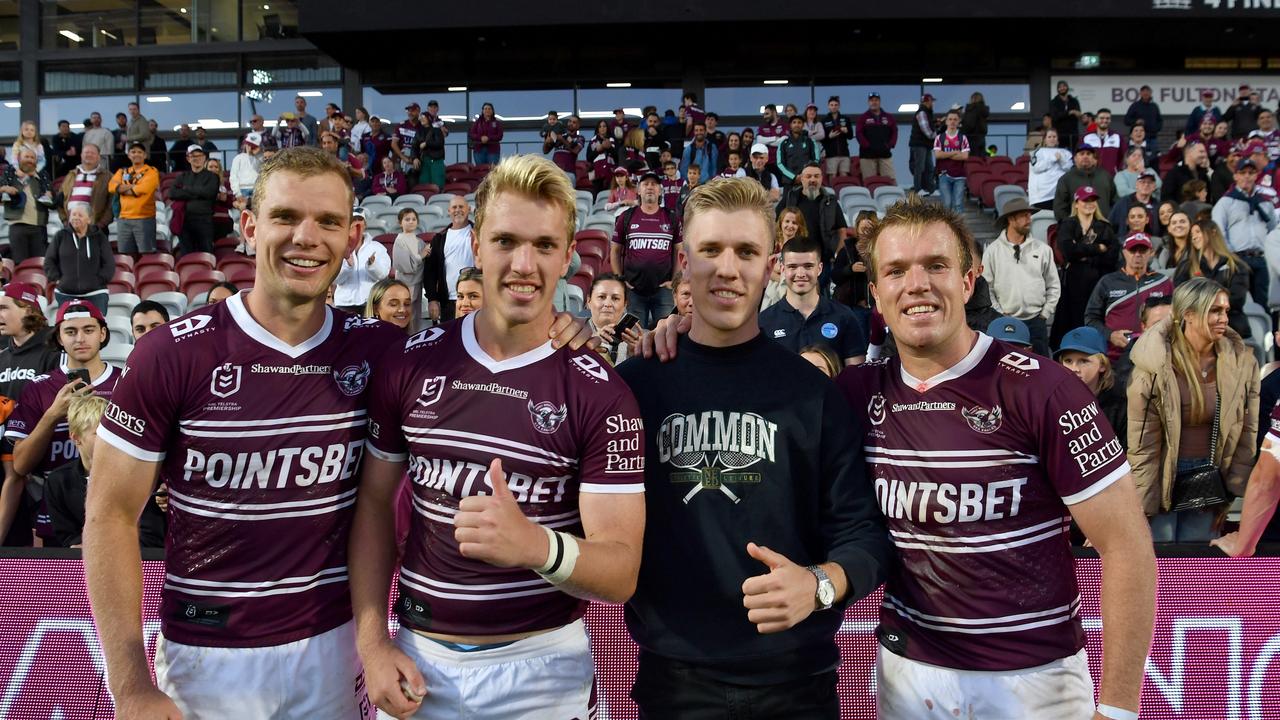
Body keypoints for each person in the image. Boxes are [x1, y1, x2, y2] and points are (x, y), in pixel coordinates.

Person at [801, 194, 1153, 720]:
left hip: (1034, 681)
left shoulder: (1044, 389)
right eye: (896, 271)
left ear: (968, 281)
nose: (916, 284)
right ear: (875, 295)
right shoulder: (855, 393)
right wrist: (683, 335)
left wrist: (1121, 708)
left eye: (936, 266)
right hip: (907, 675)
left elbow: (1126, 544)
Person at [351, 153, 640, 720]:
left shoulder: (602, 391)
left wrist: (535, 546)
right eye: (506, 241)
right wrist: (372, 643)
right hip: (417, 660)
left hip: (543, 669)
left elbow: (622, 572)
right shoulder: (410, 363)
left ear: (568, 258)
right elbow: (373, 505)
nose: (523, 264)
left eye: (544, 245)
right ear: (476, 245)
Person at [620, 177, 890, 719]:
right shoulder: (635, 388)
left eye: (746, 251)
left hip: (795, 681)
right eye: (710, 250)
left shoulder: (814, 394)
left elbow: (865, 537)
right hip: (674, 681)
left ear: (770, 267)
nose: (727, 268)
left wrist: (819, 586)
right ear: (682, 262)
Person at [1129, 278, 1258, 543]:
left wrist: (1230, 491)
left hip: (1210, 480)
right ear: (1188, 314)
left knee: (1197, 567)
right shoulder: (1155, 364)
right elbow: (1143, 443)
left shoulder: (1243, 361)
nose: (1224, 318)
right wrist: (1142, 503)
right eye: (1214, 311)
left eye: (1225, 311)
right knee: (1160, 563)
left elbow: (1247, 430)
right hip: (1162, 476)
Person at [7, 300, 119, 547]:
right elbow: (21, 465)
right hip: (57, 513)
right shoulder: (38, 387)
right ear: (58, 337)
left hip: (117, 506)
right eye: (70, 331)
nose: (80, 338)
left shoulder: (126, 383)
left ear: (102, 333)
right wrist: (52, 415)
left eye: (88, 330)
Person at [45, 394, 166, 549]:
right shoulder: (59, 481)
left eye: (112, 431)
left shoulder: (138, 474)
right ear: (76, 438)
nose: (109, 438)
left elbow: (152, 537)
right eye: (99, 432)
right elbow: (67, 536)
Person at [0, 283, 62, 546]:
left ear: (27, 308)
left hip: (44, 458)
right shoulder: (2, 357)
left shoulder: (53, 352)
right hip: (7, 457)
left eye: (4, 308)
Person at [758, 235, 866, 365]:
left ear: (819, 269)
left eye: (808, 266)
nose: (800, 273)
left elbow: (855, 378)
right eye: (792, 266)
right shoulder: (764, 322)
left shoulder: (844, 317)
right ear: (782, 269)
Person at [982, 197, 1061, 356]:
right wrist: (999, 313)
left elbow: (1053, 285)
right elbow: (987, 287)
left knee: (1041, 369)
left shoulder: (1043, 249)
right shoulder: (993, 251)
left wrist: (1045, 313)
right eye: (1024, 215)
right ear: (1011, 219)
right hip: (1006, 322)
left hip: (1037, 322)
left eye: (1029, 215)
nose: (1029, 220)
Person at [1085, 231, 1173, 362]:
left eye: (1142, 250)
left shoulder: (1163, 282)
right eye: (1133, 250)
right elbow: (1091, 319)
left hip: (1154, 354)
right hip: (1114, 356)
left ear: (1151, 252)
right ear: (1124, 252)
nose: (1138, 255)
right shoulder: (1107, 281)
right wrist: (1110, 335)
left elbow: (1174, 317)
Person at [610, 171, 681, 329]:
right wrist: (620, 279)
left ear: (660, 190)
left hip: (664, 290)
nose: (650, 187)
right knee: (634, 340)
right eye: (646, 184)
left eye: (654, 184)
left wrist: (675, 281)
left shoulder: (672, 217)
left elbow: (679, 252)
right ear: (638, 190)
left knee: (667, 335)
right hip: (634, 291)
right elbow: (615, 251)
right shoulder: (626, 217)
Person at [1052, 185, 1117, 350]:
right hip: (1073, 284)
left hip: (1097, 281)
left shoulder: (1105, 226)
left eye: (1092, 200)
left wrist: (1081, 252)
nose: (1089, 203)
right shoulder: (1067, 224)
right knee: (1070, 322)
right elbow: (1067, 251)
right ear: (1076, 203)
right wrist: (1097, 249)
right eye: (1085, 200)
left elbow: (1111, 257)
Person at [1212, 158, 1275, 308]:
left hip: (1261, 258)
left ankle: (1267, 332)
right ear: (1236, 176)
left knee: (1265, 302)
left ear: (1256, 175)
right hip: (1238, 259)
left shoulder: (1265, 202)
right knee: (1237, 302)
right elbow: (1219, 231)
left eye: (1251, 172)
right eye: (1243, 172)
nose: (1247, 176)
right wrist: (1230, 255)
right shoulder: (1226, 202)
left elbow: (1273, 230)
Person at [776, 163, 847, 295]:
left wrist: (837, 255)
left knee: (820, 298)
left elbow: (842, 231)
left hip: (823, 260)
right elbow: (777, 222)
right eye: (808, 176)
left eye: (816, 176)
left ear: (821, 179)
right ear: (801, 179)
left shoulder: (831, 202)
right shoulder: (790, 198)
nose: (812, 180)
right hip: (794, 258)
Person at [1174, 220, 1251, 339]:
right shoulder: (1186, 266)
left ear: (1213, 232)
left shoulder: (1235, 265)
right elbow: (1181, 297)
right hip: (1197, 327)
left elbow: (1237, 298)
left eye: (1197, 232)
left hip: (1233, 325)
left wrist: (1206, 304)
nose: (1193, 237)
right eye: (1191, 235)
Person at [1055, 326, 1128, 451]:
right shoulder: (1053, 401)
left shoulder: (1120, 403)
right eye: (1068, 361)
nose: (1074, 369)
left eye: (1083, 361)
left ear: (1103, 365)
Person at [45, 203, 113, 314]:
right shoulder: (60, 236)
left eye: (80, 215)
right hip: (65, 294)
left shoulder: (99, 237)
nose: (76, 217)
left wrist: (97, 281)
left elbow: (109, 264)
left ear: (89, 219)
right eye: (73, 215)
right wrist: (58, 279)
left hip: (95, 294)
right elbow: (49, 261)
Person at [422, 194, 476, 323]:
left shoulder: (479, 233)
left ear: (469, 209)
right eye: (454, 207)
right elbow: (430, 272)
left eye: (461, 207)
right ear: (449, 211)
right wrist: (432, 300)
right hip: (449, 301)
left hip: (476, 298)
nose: (458, 210)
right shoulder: (439, 239)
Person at [0, 148, 54, 264]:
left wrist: (50, 194)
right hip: (17, 226)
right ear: (19, 158)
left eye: (32, 157)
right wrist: (5, 189)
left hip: (39, 226)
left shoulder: (42, 176)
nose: (29, 160)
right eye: (26, 157)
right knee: (20, 264)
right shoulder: (10, 173)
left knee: (40, 263)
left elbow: (51, 198)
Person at [333, 207, 391, 313]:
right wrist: (348, 267)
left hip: (370, 302)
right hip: (344, 303)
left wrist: (372, 265)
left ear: (365, 225)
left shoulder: (377, 247)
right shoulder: (339, 247)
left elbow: (383, 275)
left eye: (359, 220)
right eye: (353, 220)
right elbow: (335, 279)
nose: (356, 224)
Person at [107, 141, 159, 257]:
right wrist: (132, 187)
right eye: (133, 152)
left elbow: (143, 189)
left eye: (140, 152)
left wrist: (121, 188)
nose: (136, 154)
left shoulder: (152, 172)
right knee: (126, 256)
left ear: (145, 155)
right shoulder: (122, 172)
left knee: (147, 255)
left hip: (144, 219)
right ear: (129, 155)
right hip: (123, 219)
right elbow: (111, 187)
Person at [167, 144, 220, 254]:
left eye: (199, 156)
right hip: (184, 221)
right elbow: (172, 193)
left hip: (204, 220)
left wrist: (186, 190)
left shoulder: (212, 177)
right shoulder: (182, 176)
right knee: (186, 254)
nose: (197, 159)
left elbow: (210, 193)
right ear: (188, 159)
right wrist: (199, 192)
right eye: (193, 156)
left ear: (204, 157)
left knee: (206, 254)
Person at [586, 272, 640, 364]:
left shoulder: (637, 341)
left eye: (615, 298)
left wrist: (636, 358)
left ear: (625, 304)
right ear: (588, 301)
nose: (608, 304)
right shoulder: (573, 333)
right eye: (601, 297)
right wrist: (585, 348)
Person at [1052, 144, 1116, 222]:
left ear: (1093, 158)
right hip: (1076, 229)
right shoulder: (1066, 179)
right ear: (1075, 158)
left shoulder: (1105, 176)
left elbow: (1115, 202)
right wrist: (1069, 226)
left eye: (1089, 154)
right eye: (1082, 154)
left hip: (1104, 226)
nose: (1085, 156)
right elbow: (1059, 208)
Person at [831, 209, 875, 316]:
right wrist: (850, 269)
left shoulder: (881, 249)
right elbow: (835, 276)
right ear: (857, 228)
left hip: (876, 306)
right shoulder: (847, 249)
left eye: (870, 229)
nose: (866, 232)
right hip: (852, 306)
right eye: (863, 229)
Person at [389, 208, 427, 329]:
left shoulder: (420, 241)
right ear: (400, 222)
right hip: (405, 283)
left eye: (414, 219)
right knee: (404, 313)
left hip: (418, 283)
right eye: (407, 219)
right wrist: (421, 255)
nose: (411, 222)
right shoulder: (399, 241)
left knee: (415, 317)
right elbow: (406, 267)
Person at [765, 207, 806, 310]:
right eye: (787, 221)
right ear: (781, 223)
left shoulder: (802, 246)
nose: (790, 225)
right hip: (769, 293)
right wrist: (779, 274)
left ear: (799, 226)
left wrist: (774, 269)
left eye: (794, 223)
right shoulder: (772, 243)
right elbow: (763, 268)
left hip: (791, 293)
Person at [932, 109, 970, 214]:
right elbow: (938, 155)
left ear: (959, 122)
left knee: (958, 204)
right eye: (950, 119)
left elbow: (965, 156)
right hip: (944, 175)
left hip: (960, 176)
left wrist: (946, 154)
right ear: (946, 121)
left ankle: (959, 230)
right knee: (947, 205)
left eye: (955, 119)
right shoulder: (939, 138)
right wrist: (954, 152)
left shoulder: (963, 138)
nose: (952, 122)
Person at [1028, 128, 1072, 210]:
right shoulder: (1037, 152)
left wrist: (1061, 160)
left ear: (1058, 139)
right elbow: (1036, 168)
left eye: (1054, 137)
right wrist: (1053, 158)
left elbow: (1069, 168)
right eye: (1049, 137)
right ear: (1044, 139)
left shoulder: (1066, 153)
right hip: (1042, 196)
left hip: (1060, 194)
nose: (1052, 139)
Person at [856, 91, 897, 180]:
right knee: (870, 182)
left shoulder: (889, 117)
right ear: (868, 102)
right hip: (867, 156)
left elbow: (894, 132)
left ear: (880, 102)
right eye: (871, 100)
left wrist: (889, 145)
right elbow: (859, 134)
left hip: (885, 154)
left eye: (876, 100)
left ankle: (890, 194)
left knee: (890, 180)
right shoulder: (863, 118)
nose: (874, 102)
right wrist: (868, 146)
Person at [1109, 167, 1161, 237]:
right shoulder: (1123, 203)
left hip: (1152, 244)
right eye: (1142, 182)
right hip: (1125, 243)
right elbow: (1110, 225)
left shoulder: (1157, 205)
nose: (1146, 185)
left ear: (1154, 187)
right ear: (1136, 185)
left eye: (1150, 182)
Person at [1162, 140, 1212, 206]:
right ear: (1189, 152)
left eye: (1205, 152)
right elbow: (1166, 198)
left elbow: (1208, 197)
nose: (1205, 155)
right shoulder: (1175, 173)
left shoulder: (1203, 174)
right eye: (1201, 151)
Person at [777, 114, 820, 187]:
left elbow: (816, 160)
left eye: (799, 122)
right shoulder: (783, 143)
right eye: (794, 122)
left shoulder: (810, 142)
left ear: (803, 125)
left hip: (807, 182)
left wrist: (805, 174)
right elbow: (780, 164)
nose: (797, 124)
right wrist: (794, 177)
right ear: (790, 125)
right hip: (789, 182)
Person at [1083, 108, 1128, 175]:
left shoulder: (1117, 137)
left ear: (1110, 120)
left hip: (1111, 177)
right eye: (1102, 118)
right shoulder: (1086, 137)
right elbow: (1079, 156)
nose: (1104, 120)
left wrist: (1119, 171)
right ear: (1096, 120)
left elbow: (1125, 156)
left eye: (1107, 118)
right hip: (1090, 176)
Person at [908, 94, 937, 194]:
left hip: (925, 144)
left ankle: (930, 189)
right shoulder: (922, 113)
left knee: (929, 167)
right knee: (919, 167)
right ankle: (918, 189)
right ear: (927, 101)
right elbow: (927, 132)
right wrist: (936, 134)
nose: (932, 103)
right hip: (919, 145)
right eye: (931, 101)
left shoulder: (927, 113)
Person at [820, 95, 853, 177]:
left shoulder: (845, 119)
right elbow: (822, 139)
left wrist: (846, 131)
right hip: (831, 154)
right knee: (832, 176)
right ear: (828, 106)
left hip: (844, 153)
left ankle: (844, 190)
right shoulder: (824, 121)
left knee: (844, 176)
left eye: (835, 105)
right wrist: (829, 137)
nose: (833, 107)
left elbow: (851, 136)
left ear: (839, 106)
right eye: (831, 105)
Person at [1049, 80, 1083, 149]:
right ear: (1057, 89)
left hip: (1073, 133)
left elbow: (1078, 113)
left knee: (1073, 154)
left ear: (1067, 87)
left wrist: (1076, 113)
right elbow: (1055, 116)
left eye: (1064, 86)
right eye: (1060, 87)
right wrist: (1070, 112)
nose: (1062, 88)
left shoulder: (1074, 101)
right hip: (1060, 134)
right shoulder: (1053, 102)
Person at [230, 132, 263, 201]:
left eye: (252, 146)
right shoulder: (238, 158)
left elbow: (259, 170)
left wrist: (254, 155)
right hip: (242, 189)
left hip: (257, 188)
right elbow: (233, 176)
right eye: (248, 144)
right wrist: (237, 193)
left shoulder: (261, 158)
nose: (249, 147)